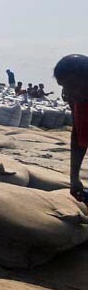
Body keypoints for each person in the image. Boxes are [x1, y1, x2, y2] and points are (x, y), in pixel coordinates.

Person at [53, 54, 88, 203]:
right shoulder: (76, 100)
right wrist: (74, 177)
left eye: (74, 86)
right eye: (64, 87)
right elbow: (78, 136)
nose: (69, 93)